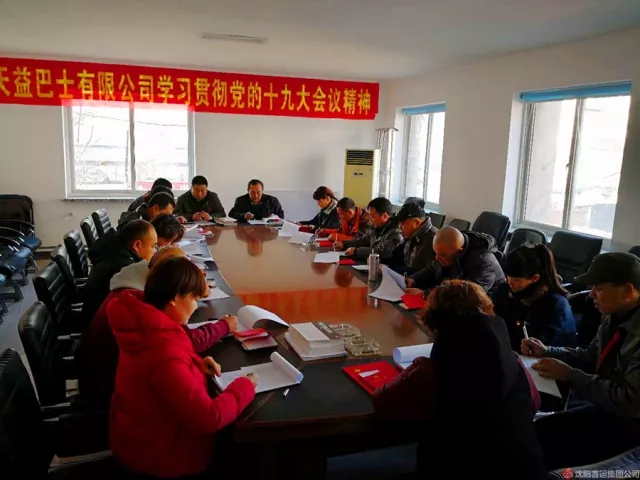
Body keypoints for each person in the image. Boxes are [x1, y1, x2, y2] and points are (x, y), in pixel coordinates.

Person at [373, 280, 546, 479]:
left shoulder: (432, 369)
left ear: (434, 320)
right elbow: (534, 403)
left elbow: (384, 402)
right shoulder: (513, 362)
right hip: (526, 470)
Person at [108, 257, 257, 478]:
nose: (196, 306)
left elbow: (161, 377)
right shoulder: (162, 351)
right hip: (160, 456)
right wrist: (245, 385)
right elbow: (209, 418)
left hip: (137, 437)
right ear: (175, 299)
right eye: (194, 298)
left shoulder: (146, 326)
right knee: (245, 459)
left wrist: (194, 364)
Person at [76, 246, 239, 410]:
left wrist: (193, 367)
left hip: (113, 386)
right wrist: (224, 326)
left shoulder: (135, 294)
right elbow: (186, 342)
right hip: (104, 394)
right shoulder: (141, 311)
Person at [523, 252, 640, 471]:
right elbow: (589, 357)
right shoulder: (613, 316)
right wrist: (548, 351)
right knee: (533, 434)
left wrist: (570, 375)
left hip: (630, 428)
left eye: (599, 288)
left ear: (627, 290)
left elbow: (630, 401)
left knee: (550, 459)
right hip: (606, 411)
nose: (591, 294)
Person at [494, 244, 576, 350]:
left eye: (516, 280)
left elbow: (537, 347)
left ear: (535, 278)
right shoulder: (506, 290)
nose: (510, 283)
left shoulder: (555, 306)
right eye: (507, 277)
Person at [81, 220, 158, 329]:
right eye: (153, 246)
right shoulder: (124, 268)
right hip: (102, 327)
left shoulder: (114, 250)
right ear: (137, 245)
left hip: (97, 317)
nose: (155, 251)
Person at [404, 226, 506, 298]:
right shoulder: (448, 248)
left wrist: (425, 295)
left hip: (486, 308)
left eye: (442, 255)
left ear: (459, 251)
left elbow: (468, 296)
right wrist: (414, 279)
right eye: (436, 253)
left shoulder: (483, 262)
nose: (437, 258)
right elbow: (432, 268)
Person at [334, 197, 402, 260]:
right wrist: (344, 244)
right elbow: (362, 240)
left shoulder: (396, 233)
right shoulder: (375, 227)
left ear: (385, 216)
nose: (370, 219)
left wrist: (356, 251)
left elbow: (380, 251)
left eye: (372, 216)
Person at [385, 201, 437, 274]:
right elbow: (398, 256)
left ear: (416, 222)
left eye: (403, 223)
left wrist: (392, 271)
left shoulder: (433, 240)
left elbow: (425, 273)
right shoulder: (411, 235)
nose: (400, 227)